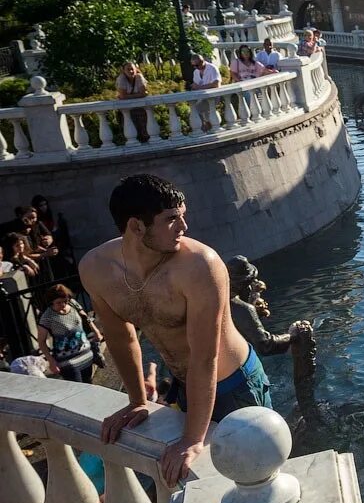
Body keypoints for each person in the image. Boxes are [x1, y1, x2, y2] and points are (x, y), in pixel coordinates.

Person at [80, 174, 270, 487]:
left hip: (235, 385)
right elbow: (120, 338)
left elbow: (204, 356)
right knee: (197, 486)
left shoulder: (199, 266)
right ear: (136, 227)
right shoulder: (96, 269)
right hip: (186, 384)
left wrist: (192, 439)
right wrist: (137, 400)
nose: (184, 227)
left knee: (254, 476)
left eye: (183, 215)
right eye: (171, 219)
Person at [37, 284, 100, 383]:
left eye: (65, 301)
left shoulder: (72, 304)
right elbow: (41, 341)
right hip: (67, 361)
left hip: (85, 354)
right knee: (77, 389)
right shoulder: (47, 317)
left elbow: (85, 317)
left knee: (89, 385)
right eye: (58, 303)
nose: (63, 305)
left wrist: (96, 331)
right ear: (51, 302)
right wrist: (51, 361)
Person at [115, 62, 150, 142]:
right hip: (127, 109)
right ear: (123, 71)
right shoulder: (121, 79)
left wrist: (128, 96)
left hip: (140, 108)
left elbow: (143, 93)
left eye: (132, 69)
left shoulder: (139, 77)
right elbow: (122, 95)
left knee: (144, 129)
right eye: (128, 69)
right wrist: (137, 95)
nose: (131, 71)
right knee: (131, 129)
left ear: (135, 69)